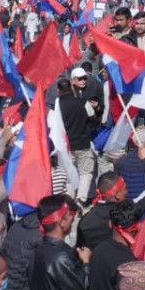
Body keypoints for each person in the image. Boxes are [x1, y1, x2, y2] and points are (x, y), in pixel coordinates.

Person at [58, 67, 102, 202]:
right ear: (71, 86)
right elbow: (92, 116)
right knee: (86, 173)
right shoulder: (82, 102)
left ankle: (70, 200)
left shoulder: (58, 105)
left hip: (67, 146)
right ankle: (81, 200)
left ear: (58, 91)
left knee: (69, 175)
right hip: (83, 143)